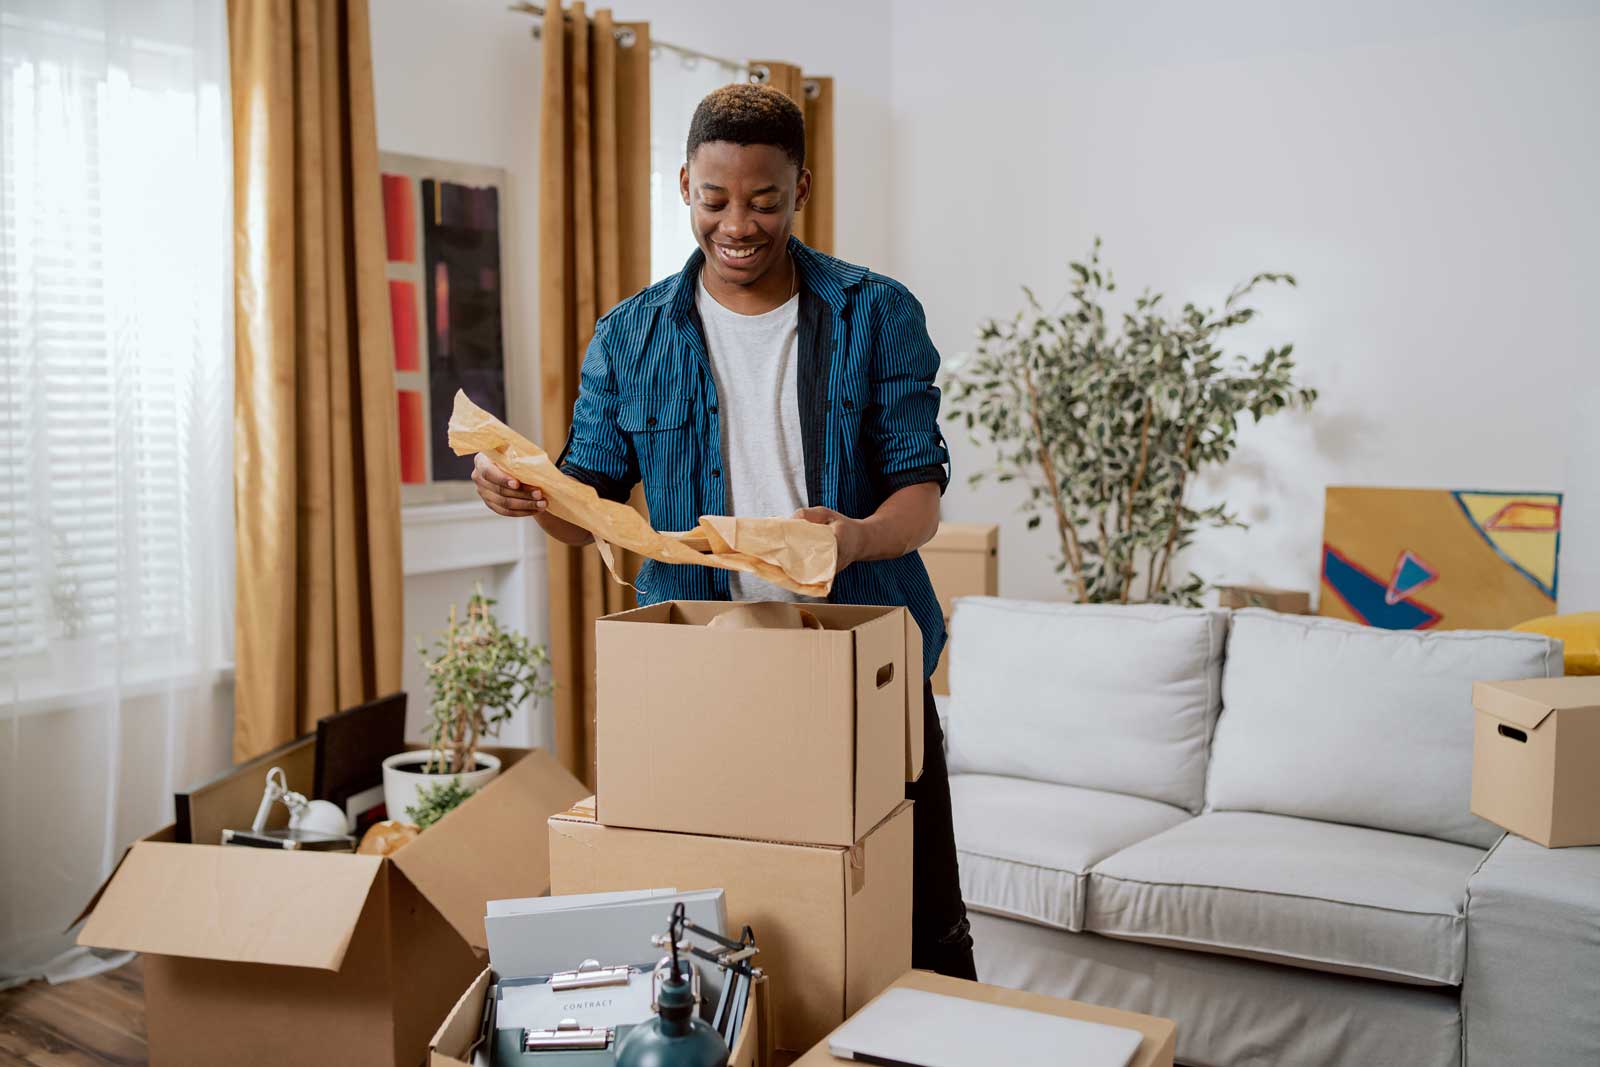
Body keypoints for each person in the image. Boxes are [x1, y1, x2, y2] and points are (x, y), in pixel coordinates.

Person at [473, 83, 975, 979]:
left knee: (918, 922)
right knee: (719, 931)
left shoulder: (878, 312)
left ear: (802, 187)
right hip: (704, 675)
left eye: (764, 200)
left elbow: (920, 495)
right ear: (685, 188)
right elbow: (584, 503)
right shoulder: (630, 337)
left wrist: (850, 537)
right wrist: (525, 495)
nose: (737, 223)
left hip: (861, 666)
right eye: (715, 200)